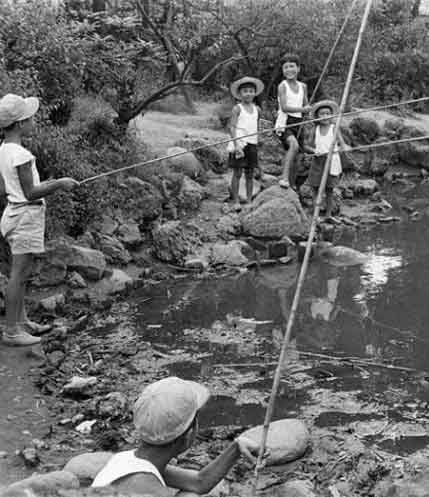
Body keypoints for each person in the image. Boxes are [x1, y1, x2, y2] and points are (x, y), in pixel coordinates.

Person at [92, 377, 264, 496]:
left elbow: (199, 482)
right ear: (189, 434)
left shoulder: (129, 461)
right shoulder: (146, 487)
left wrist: (236, 447)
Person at [0, 94, 78, 346]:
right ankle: (12, 332)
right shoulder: (21, 154)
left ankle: (22, 322)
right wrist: (59, 184)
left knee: (19, 273)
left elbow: (8, 189)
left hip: (14, 214)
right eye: (30, 118)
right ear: (20, 124)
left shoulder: (4, 150)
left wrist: (49, 183)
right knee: (19, 275)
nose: (33, 120)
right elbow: (30, 193)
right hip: (25, 218)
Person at [302, 100, 347, 218]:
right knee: (315, 186)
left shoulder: (334, 128)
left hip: (332, 161)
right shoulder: (314, 130)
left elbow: (342, 144)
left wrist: (342, 148)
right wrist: (313, 151)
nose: (325, 116)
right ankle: (315, 212)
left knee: (329, 189)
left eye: (328, 113)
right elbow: (306, 145)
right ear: (317, 116)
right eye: (322, 114)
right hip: (318, 161)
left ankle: (328, 214)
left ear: (331, 115)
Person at [274, 53, 311, 189]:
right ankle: (284, 178)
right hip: (285, 122)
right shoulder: (282, 86)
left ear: (298, 68)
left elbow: (306, 105)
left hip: (299, 122)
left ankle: (292, 183)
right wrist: (303, 109)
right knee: (293, 146)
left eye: (292, 66)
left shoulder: (303, 86)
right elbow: (284, 107)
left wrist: (308, 111)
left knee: (297, 155)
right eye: (286, 67)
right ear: (283, 71)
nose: (289, 69)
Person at [226, 76, 264, 205]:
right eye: (245, 91)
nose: (248, 93)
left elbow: (257, 126)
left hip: (252, 144)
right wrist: (236, 145)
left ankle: (249, 201)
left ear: (255, 93)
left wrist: (259, 139)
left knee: (250, 173)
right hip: (240, 143)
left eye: (251, 91)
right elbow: (232, 127)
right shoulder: (237, 108)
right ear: (240, 94)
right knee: (237, 172)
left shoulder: (257, 109)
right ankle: (235, 200)